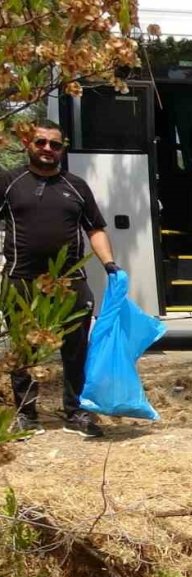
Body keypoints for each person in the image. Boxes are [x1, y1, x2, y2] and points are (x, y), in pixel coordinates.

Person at [1, 120, 119, 439]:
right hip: (20, 280)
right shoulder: (9, 182)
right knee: (25, 349)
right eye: (41, 143)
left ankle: (76, 412)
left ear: (62, 149)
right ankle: (27, 414)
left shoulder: (76, 186)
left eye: (55, 145)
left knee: (76, 349)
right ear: (29, 143)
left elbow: (94, 228)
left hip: (70, 282)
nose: (48, 150)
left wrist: (110, 265)